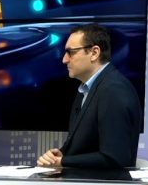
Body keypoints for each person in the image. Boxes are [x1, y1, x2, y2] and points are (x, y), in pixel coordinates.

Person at [38, 23, 141, 169]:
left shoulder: (113, 90)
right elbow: (86, 147)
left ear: (94, 53)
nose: (64, 59)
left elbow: (115, 157)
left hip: (103, 183)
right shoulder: (86, 89)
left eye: (70, 52)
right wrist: (61, 155)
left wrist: (63, 162)